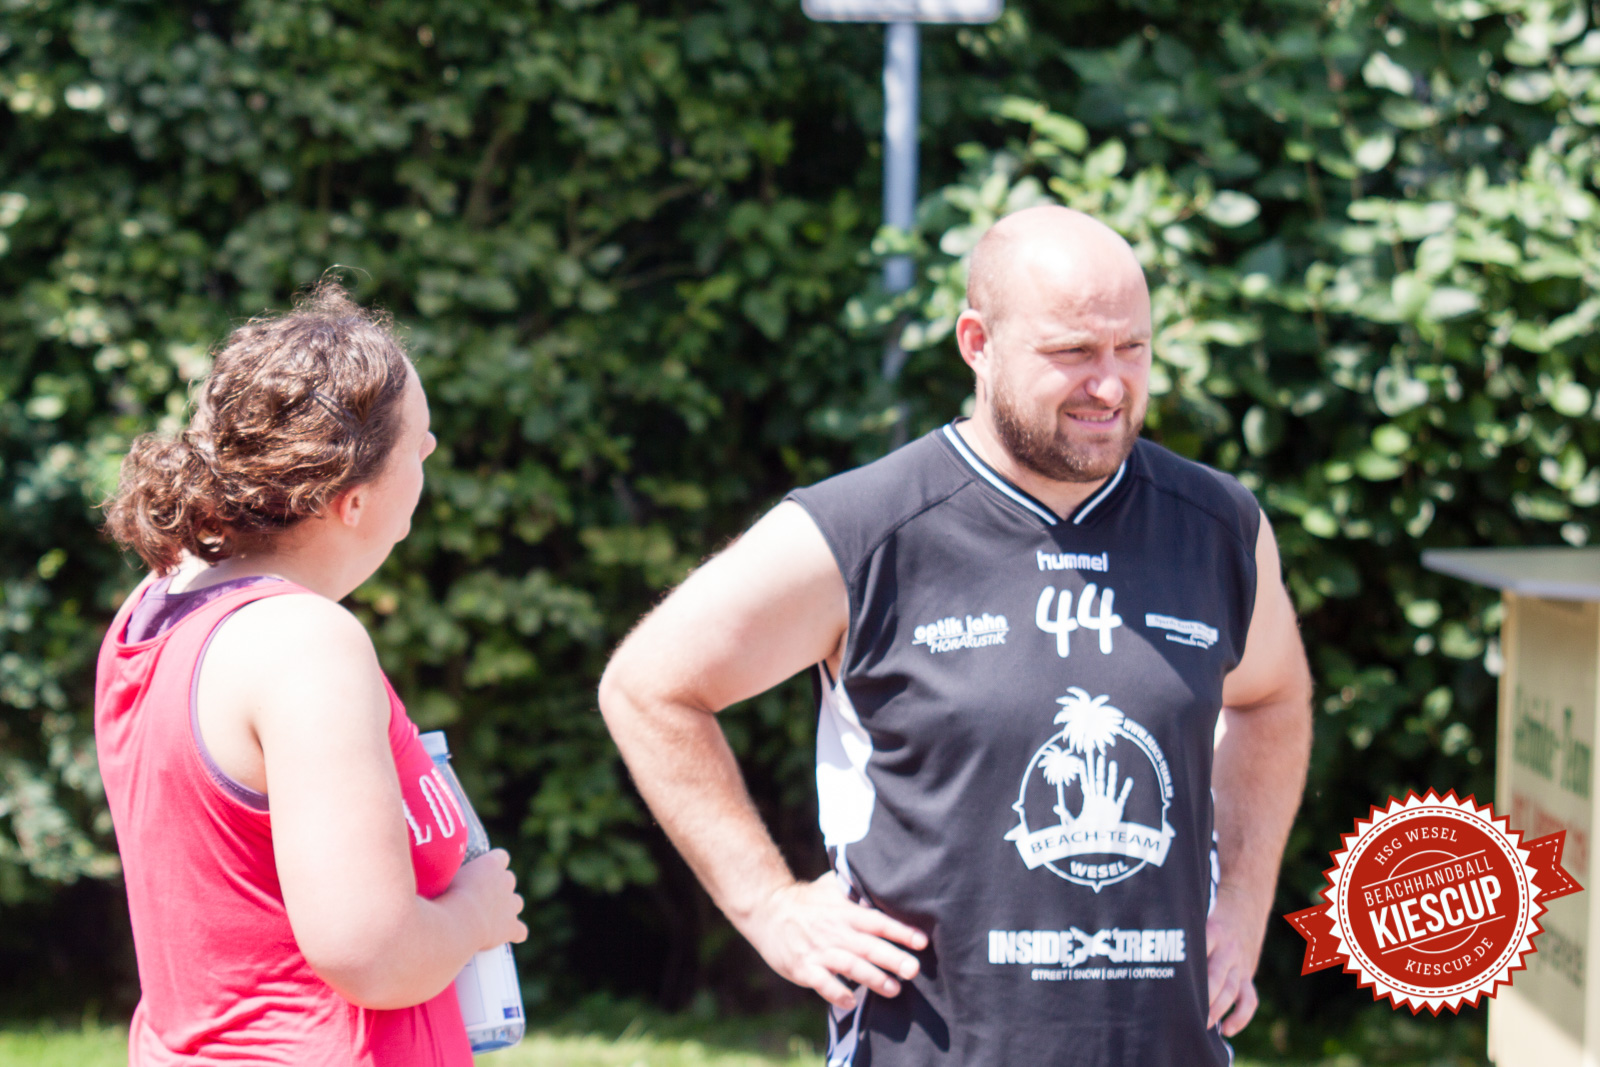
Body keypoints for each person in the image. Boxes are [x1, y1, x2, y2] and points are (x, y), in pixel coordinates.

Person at [598, 206, 1312, 1065]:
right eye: (1074, 352)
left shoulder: (1219, 526)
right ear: (977, 342)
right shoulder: (864, 529)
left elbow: (1273, 697)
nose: (1112, 385)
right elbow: (650, 685)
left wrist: (1242, 898)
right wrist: (768, 904)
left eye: (1134, 349)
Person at [96, 284, 527, 1066]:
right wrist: (476, 914)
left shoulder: (155, 602)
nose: (430, 457)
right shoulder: (303, 644)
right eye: (419, 444)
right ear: (353, 500)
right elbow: (368, 951)